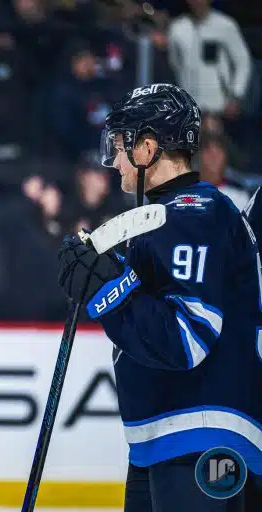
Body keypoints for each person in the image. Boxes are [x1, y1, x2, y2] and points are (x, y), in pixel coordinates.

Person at [57, 83, 262, 511]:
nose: (115, 162)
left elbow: (188, 336)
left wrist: (110, 288)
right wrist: (106, 278)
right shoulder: (166, 217)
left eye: (120, 147)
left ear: (147, 149)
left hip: (202, 439)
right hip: (167, 439)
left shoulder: (194, 211)